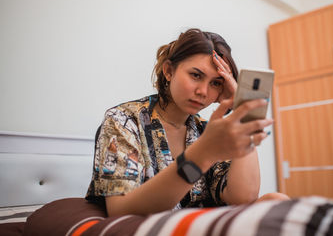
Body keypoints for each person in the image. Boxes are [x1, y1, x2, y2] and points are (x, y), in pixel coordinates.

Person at [85, 28, 289, 216]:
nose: (203, 91)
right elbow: (121, 211)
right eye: (195, 75)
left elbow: (242, 198)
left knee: (277, 200)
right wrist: (202, 154)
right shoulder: (124, 120)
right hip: (158, 226)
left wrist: (244, 116)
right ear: (169, 71)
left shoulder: (206, 130)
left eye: (216, 83)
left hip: (201, 224)